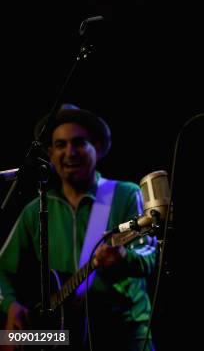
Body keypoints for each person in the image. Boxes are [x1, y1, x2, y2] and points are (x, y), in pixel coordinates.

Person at [0, 104, 157, 350]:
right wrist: (11, 306)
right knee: (7, 340)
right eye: (60, 145)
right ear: (50, 154)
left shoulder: (124, 195)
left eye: (79, 142)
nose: (70, 152)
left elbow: (149, 256)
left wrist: (124, 257)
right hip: (64, 338)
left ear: (97, 148)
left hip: (121, 334)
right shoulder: (36, 209)